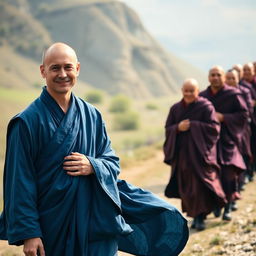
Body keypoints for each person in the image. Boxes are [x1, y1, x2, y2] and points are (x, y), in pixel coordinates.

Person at [0, 42, 188, 256]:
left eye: (68, 67)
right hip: (52, 225)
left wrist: (93, 165)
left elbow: (111, 162)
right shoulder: (26, 122)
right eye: (55, 68)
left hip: (96, 219)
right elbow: (19, 182)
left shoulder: (92, 115)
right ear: (43, 71)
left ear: (77, 69)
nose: (63, 74)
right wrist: (30, 233)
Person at [163, 78, 226, 231]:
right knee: (187, 187)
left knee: (202, 185)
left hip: (201, 154)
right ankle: (195, 215)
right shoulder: (175, 109)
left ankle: (201, 217)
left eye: (192, 90)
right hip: (183, 156)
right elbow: (168, 128)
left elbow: (214, 128)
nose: (189, 93)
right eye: (186, 90)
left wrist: (194, 126)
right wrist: (178, 127)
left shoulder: (206, 106)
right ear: (182, 91)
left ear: (198, 91)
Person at [200, 66, 248, 221]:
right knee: (212, 175)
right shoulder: (202, 96)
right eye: (212, 75)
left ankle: (228, 207)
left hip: (228, 140)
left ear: (223, 77)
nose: (215, 77)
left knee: (228, 174)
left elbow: (243, 115)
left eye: (218, 75)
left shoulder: (233, 95)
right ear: (208, 77)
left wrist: (224, 118)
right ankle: (215, 205)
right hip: (209, 144)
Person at [225, 69, 253, 195]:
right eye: (228, 78)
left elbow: (248, 111)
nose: (230, 81)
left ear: (238, 79)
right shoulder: (223, 93)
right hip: (225, 133)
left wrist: (225, 118)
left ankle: (239, 186)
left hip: (241, 130)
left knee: (241, 158)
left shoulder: (243, 92)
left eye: (233, 78)